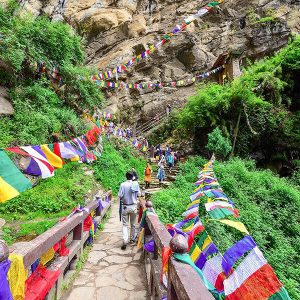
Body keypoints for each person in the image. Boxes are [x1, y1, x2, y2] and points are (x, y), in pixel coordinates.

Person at [118, 171, 141, 250]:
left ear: (126, 176)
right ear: (133, 177)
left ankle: (125, 240)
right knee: (133, 224)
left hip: (125, 207)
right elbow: (139, 194)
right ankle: (131, 240)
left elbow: (120, 195)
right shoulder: (135, 184)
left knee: (125, 225)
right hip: (133, 207)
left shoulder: (123, 184)